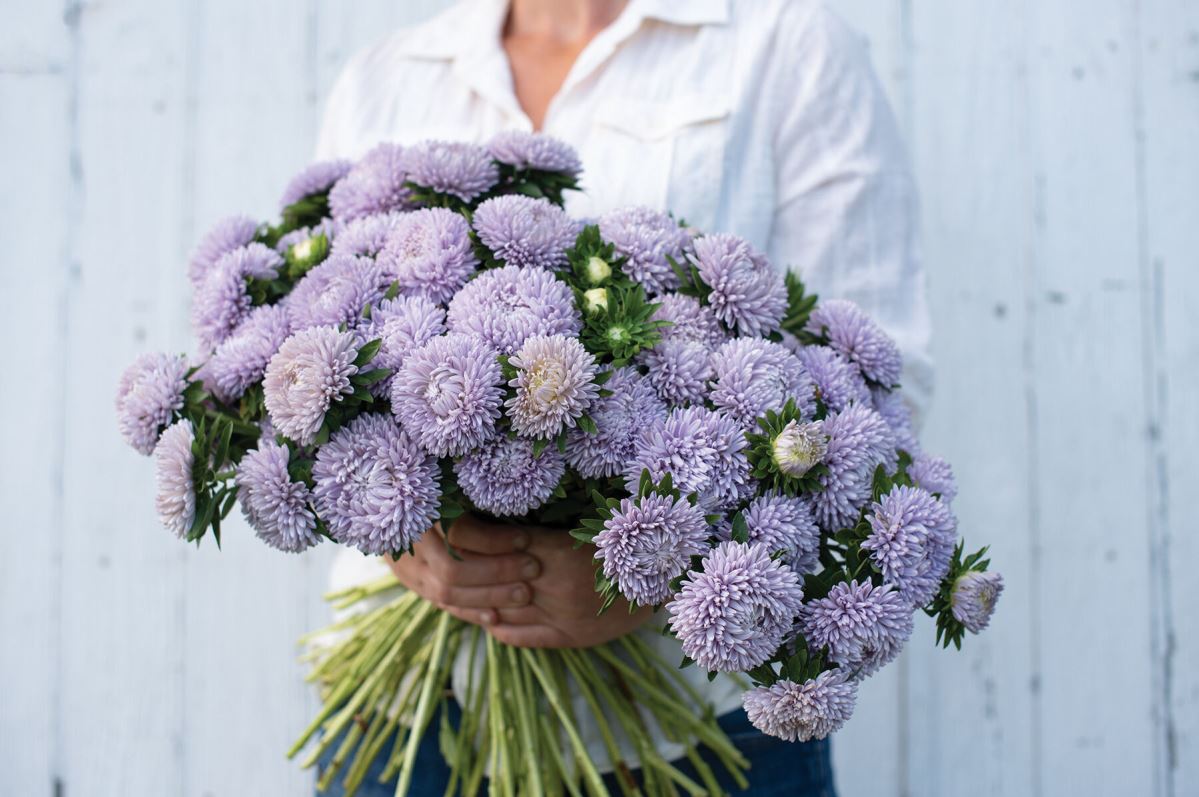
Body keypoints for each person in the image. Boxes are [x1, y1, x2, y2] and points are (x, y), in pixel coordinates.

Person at [314, 0, 931, 794]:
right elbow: (314, 336)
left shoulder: (786, 44)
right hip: (405, 720)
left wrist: (657, 579)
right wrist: (400, 532)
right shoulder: (386, 76)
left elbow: (883, 377)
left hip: (691, 731)